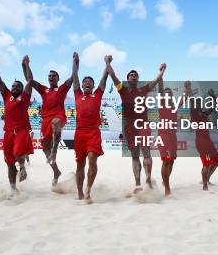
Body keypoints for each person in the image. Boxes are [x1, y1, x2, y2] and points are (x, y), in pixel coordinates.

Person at [106, 59, 166, 193]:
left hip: (143, 125)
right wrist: (107, 62)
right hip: (129, 127)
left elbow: (156, 80)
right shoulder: (122, 89)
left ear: (137, 79)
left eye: (135, 75)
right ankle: (138, 184)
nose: (133, 76)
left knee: (146, 153)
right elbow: (112, 74)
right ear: (127, 79)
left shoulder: (143, 89)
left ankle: (148, 181)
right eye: (131, 75)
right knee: (134, 156)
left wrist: (162, 70)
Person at [22, 55, 72, 186]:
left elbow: (73, 77)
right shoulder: (44, 89)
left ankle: (55, 151)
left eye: (53, 76)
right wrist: (26, 65)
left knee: (56, 122)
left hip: (59, 115)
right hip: (45, 120)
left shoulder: (62, 88)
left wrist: (75, 62)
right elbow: (29, 81)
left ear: (58, 78)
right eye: (49, 76)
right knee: (45, 149)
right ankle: (56, 171)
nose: (51, 77)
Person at [0, 56, 34, 192]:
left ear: (21, 89)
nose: (14, 87)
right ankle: (13, 188)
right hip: (8, 133)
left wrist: (26, 65)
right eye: (13, 86)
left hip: (21, 131)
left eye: (17, 86)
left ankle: (22, 166)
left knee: (17, 152)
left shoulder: (25, 97)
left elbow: (30, 80)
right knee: (9, 163)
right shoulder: (6, 95)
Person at [72, 52, 109, 202]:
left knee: (92, 160)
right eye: (85, 82)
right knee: (80, 165)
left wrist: (107, 63)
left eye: (89, 82)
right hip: (79, 133)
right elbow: (74, 76)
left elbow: (104, 78)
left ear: (93, 86)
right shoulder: (77, 94)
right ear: (81, 85)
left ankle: (88, 189)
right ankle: (80, 192)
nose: (87, 83)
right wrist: (74, 61)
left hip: (93, 132)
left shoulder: (98, 94)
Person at [184, 81, 218, 190]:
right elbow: (191, 99)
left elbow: (212, 108)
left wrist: (213, 97)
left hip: (208, 141)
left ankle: (207, 180)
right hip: (201, 142)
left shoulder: (204, 114)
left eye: (200, 102)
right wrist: (189, 88)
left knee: (216, 162)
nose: (198, 104)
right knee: (206, 164)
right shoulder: (194, 113)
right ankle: (204, 185)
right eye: (197, 103)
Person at [157, 81, 178, 196]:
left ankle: (164, 181)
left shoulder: (174, 106)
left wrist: (188, 89)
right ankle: (167, 189)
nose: (167, 95)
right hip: (164, 135)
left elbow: (185, 98)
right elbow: (160, 90)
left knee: (171, 162)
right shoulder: (162, 103)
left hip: (173, 136)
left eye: (169, 93)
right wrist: (161, 76)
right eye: (166, 93)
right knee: (166, 161)